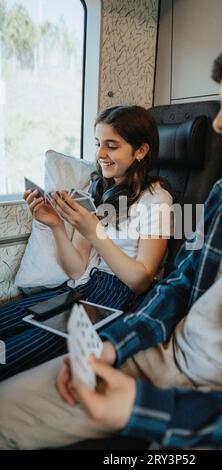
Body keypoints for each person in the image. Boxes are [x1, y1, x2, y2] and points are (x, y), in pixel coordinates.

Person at [1, 19, 222, 450]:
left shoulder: (160, 203)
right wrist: (113, 345)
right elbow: (177, 287)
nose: (218, 124)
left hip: (199, 372)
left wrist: (138, 405)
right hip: (155, 345)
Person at [0, 105, 173, 381]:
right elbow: (76, 270)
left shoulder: (157, 200)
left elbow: (142, 280)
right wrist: (55, 225)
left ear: (140, 151)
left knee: (7, 356)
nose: (101, 154)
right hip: (82, 287)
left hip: (119, 299)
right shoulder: (99, 191)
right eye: (98, 144)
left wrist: (95, 233)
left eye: (112, 145)